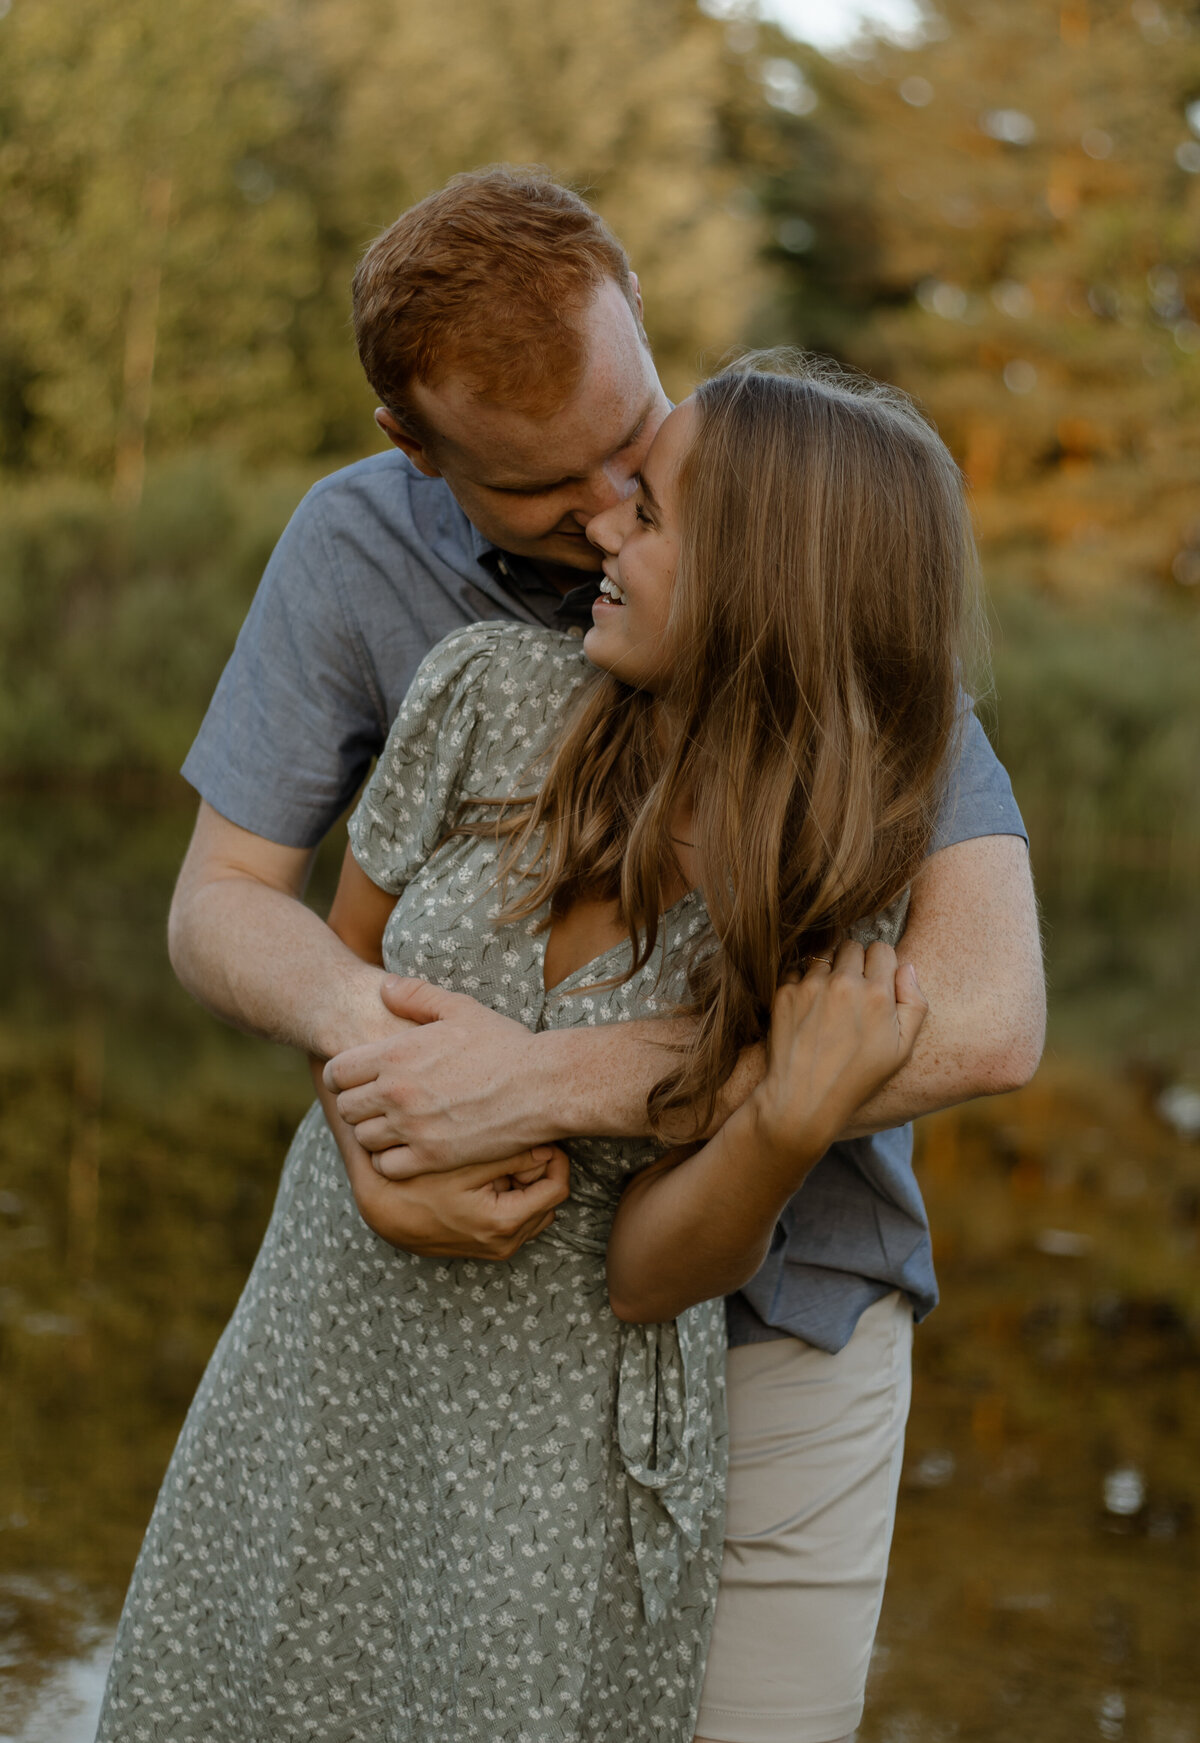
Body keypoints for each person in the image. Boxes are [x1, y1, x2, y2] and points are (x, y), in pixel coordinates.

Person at [159, 170, 1044, 1742]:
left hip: (775, 1316)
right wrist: (394, 1086)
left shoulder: (793, 538)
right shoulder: (424, 620)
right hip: (466, 1332)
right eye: (547, 491)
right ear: (418, 458)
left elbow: (982, 1020)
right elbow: (225, 899)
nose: (609, 508)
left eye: (637, 446)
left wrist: (537, 1087)